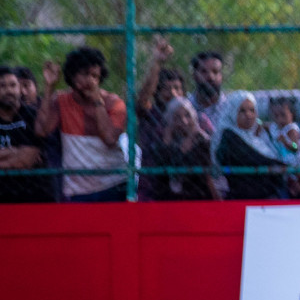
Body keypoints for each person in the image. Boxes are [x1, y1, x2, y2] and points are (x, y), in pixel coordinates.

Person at [34, 47, 128, 202]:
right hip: (78, 189)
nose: (91, 81)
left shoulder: (114, 103)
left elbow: (110, 138)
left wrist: (97, 101)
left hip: (114, 184)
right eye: (85, 74)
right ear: (72, 75)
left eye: (95, 76)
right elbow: (41, 130)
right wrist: (49, 87)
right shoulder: (61, 101)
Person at [134, 36, 186, 200]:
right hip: (152, 186)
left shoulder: (189, 116)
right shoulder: (151, 114)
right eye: (166, 89)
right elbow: (141, 101)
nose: (172, 93)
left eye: (177, 88)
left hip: (183, 186)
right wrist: (157, 63)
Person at [214, 91, 290, 200]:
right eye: (242, 111)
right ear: (232, 112)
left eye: (252, 110)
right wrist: (283, 166)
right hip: (246, 197)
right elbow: (252, 158)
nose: (249, 115)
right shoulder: (229, 136)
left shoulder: (259, 135)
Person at [150, 97, 219, 201]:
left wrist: (191, 138)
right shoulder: (161, 144)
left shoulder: (203, 143)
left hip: (199, 199)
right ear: (170, 121)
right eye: (177, 117)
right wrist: (168, 143)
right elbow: (164, 171)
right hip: (168, 201)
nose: (184, 121)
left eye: (188, 115)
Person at [0, 66, 50, 203]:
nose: (8, 90)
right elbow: (20, 158)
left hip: (33, 194)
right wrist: (15, 151)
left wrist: (10, 155)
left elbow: (25, 161)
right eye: (2, 86)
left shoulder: (32, 116)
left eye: (13, 85)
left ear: (19, 89)